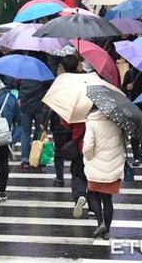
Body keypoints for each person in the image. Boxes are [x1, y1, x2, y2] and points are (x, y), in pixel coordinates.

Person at [83, 108, 125, 240]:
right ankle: (107, 230)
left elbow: (88, 146)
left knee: (92, 194)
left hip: (95, 164)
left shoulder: (91, 122)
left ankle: (100, 222)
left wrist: (87, 157)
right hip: (113, 165)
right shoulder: (117, 120)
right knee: (108, 199)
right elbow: (125, 142)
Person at [49, 55, 78, 187]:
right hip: (76, 120)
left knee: (59, 151)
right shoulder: (81, 81)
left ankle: (59, 177)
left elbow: (51, 102)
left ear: (63, 67)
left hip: (60, 121)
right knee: (76, 150)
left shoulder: (58, 83)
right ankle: (76, 176)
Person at [0, 88, 19, 205]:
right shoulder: (10, 98)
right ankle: (2, 190)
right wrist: (13, 139)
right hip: (4, 136)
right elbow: (18, 120)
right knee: (3, 162)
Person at [19, 79, 49, 170]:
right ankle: (37, 156)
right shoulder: (42, 76)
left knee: (25, 133)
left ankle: (25, 159)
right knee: (39, 131)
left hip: (25, 106)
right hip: (39, 106)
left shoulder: (23, 75)